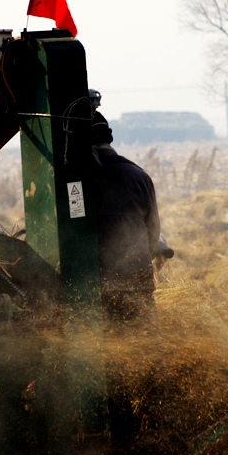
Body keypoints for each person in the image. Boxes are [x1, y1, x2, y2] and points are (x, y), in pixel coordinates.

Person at [86, 111, 162, 324]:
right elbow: (153, 230)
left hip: (99, 281)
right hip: (139, 276)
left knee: (111, 342)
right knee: (144, 337)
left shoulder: (80, 179)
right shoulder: (139, 175)